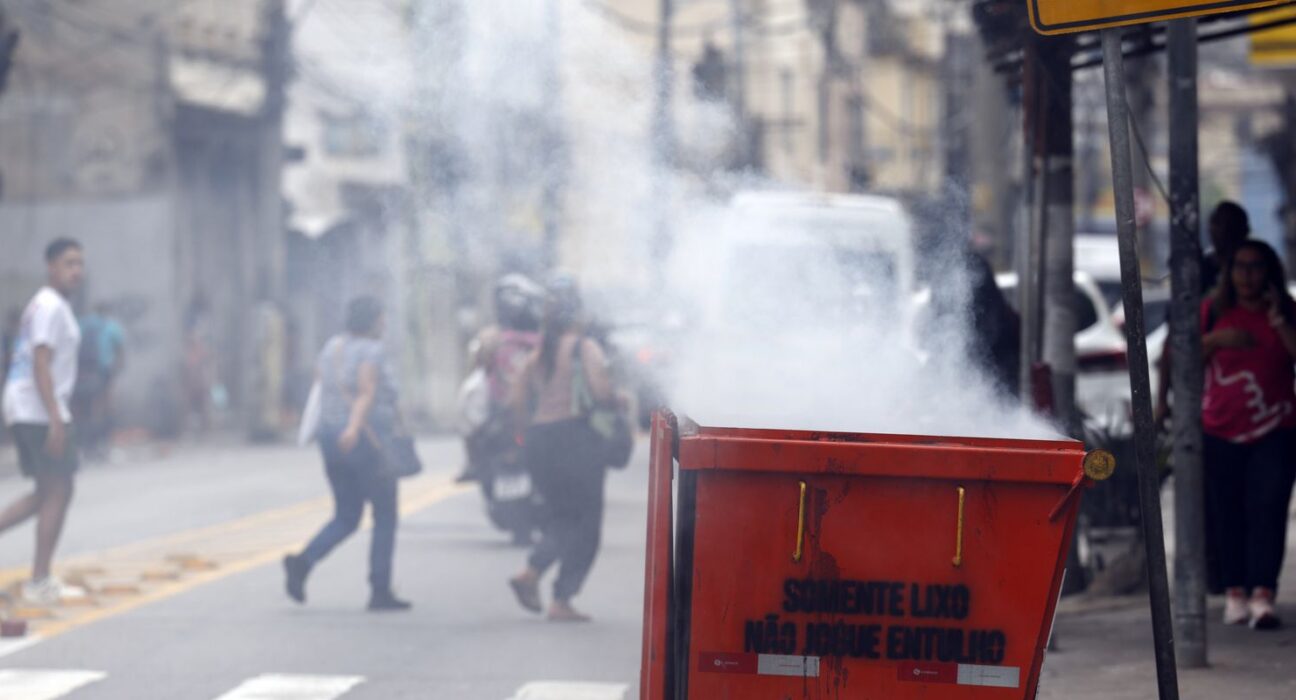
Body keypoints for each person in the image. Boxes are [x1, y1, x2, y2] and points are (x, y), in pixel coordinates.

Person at [283, 296, 411, 611]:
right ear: (373, 321)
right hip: (364, 441)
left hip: (330, 438)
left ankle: (303, 562)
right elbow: (367, 391)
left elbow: (321, 386)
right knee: (385, 515)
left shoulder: (332, 348)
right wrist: (353, 428)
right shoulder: (373, 351)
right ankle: (380, 590)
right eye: (382, 317)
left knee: (346, 515)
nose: (385, 323)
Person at [1200, 239, 1296, 630]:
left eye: (1256, 267)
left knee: (1268, 509)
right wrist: (1217, 341)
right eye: (1240, 266)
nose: (1247, 275)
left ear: (1269, 272)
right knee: (1228, 511)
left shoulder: (1285, 311)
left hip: (1276, 427)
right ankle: (1235, 591)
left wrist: (1278, 321)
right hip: (1220, 428)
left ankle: (1263, 594)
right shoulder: (1212, 311)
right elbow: (1180, 355)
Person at [507, 276, 614, 622]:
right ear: (577, 312)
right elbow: (600, 393)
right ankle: (558, 595)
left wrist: (524, 434)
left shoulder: (537, 353)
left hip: (540, 439)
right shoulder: (585, 348)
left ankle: (534, 574)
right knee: (586, 523)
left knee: (561, 516)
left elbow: (517, 401)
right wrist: (620, 401)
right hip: (576, 439)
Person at [0, 239, 88, 604]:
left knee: (48, 491)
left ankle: (40, 578)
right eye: (69, 263)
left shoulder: (44, 304)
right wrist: (55, 418)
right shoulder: (51, 307)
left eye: (80, 263)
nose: (76, 270)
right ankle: (39, 581)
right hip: (37, 410)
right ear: (50, 266)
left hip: (29, 406)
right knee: (59, 489)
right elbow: (40, 363)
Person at [1154, 200, 1253, 426]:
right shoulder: (1198, 273)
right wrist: (1162, 401)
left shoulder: (1259, 271)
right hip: (1203, 385)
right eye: (1219, 224)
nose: (1224, 232)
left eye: (1230, 225)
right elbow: (1173, 342)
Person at [459, 273, 543, 484]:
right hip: (520, 413)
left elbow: (476, 370)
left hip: (505, 412)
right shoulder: (540, 339)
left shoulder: (490, 337)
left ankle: (471, 464)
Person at [72, 303, 126, 460]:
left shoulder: (81, 323)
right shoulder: (111, 326)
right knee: (102, 409)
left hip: (79, 373)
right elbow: (120, 351)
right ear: (107, 312)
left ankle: (82, 447)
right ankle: (102, 446)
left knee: (81, 412)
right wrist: (115, 373)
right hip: (101, 373)